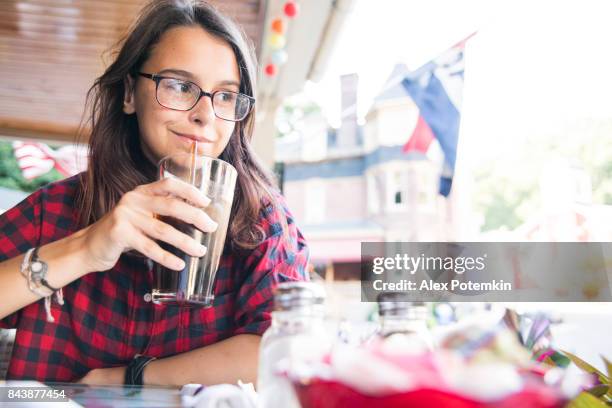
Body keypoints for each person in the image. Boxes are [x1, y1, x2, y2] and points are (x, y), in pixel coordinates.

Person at [0, 0, 309, 386]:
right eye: (180, 86)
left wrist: (129, 378)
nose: (206, 115)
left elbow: (286, 353)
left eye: (226, 96)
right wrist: (85, 248)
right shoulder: (55, 212)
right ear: (130, 93)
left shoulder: (261, 221)